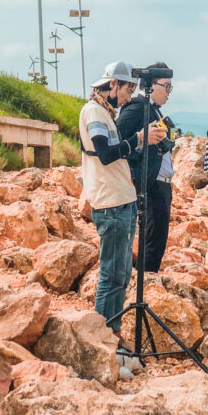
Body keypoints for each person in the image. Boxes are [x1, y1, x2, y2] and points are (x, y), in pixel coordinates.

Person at [79, 61, 165, 347]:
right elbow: (104, 154)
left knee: (121, 274)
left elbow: (116, 152)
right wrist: (139, 139)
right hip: (111, 202)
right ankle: (102, 339)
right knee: (111, 274)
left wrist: (141, 143)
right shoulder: (93, 112)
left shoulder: (105, 112)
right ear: (113, 84)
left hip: (123, 200)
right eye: (129, 89)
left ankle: (113, 332)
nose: (131, 96)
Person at [117, 62, 174, 274]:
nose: (169, 92)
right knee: (152, 241)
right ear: (150, 84)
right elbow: (119, 143)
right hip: (150, 184)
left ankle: (149, 281)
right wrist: (141, 145)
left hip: (161, 184)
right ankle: (146, 285)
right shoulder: (138, 107)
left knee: (158, 240)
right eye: (166, 86)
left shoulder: (154, 110)